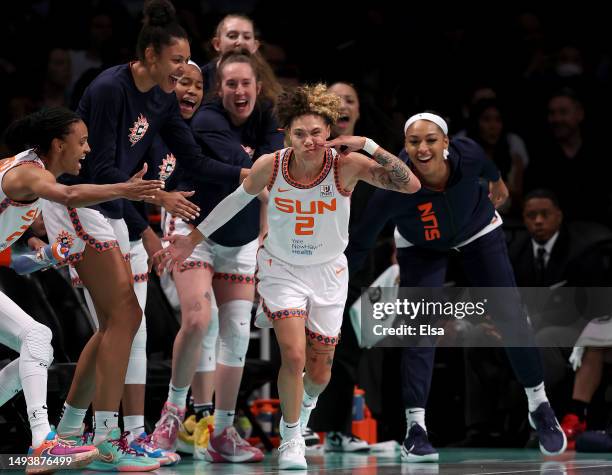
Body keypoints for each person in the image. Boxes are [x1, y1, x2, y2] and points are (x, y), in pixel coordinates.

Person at [155, 83, 420, 469]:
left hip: (329, 272)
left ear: (328, 132)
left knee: (320, 369)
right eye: (300, 133)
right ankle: (291, 438)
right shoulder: (272, 165)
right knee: (293, 355)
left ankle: (303, 412)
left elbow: (410, 184)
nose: (309, 141)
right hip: (281, 270)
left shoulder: (346, 165)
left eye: (316, 132)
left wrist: (367, 144)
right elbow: (234, 202)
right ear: (286, 134)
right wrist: (191, 239)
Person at [44, 0, 247, 470]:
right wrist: (156, 201)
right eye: (177, 61)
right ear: (151, 54)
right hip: (79, 201)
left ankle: (81, 432)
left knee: (125, 324)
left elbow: (192, 160)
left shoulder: (160, 98)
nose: (183, 70)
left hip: (113, 205)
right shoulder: (111, 88)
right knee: (124, 320)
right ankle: (107, 437)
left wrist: (248, 175)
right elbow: (95, 169)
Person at [346, 112, 568, 461]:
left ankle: (539, 403)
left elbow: (489, 167)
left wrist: (497, 181)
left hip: (477, 231)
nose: (423, 148)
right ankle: (415, 428)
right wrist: (332, 281)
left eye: (431, 140)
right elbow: (359, 242)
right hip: (421, 245)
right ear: (405, 147)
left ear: (446, 143)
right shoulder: (391, 187)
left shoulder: (470, 154)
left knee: (510, 316)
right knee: (420, 328)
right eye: (414, 141)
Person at [0, 106, 162, 473]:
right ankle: (47, 442)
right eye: (82, 141)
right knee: (39, 338)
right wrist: (126, 189)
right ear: (58, 145)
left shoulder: (27, 175)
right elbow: (70, 196)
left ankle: (52, 438)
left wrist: (49, 253)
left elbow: (23, 251)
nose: (87, 149)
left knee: (35, 342)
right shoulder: (29, 174)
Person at [151, 50, 283, 463]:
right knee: (198, 319)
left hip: (240, 242)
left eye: (245, 83)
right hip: (195, 231)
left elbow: (275, 178)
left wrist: (265, 234)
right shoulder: (208, 121)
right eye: (230, 84)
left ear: (257, 88)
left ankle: (221, 432)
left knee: (238, 334)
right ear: (219, 90)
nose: (238, 90)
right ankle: (171, 416)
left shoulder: (270, 118)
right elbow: (262, 173)